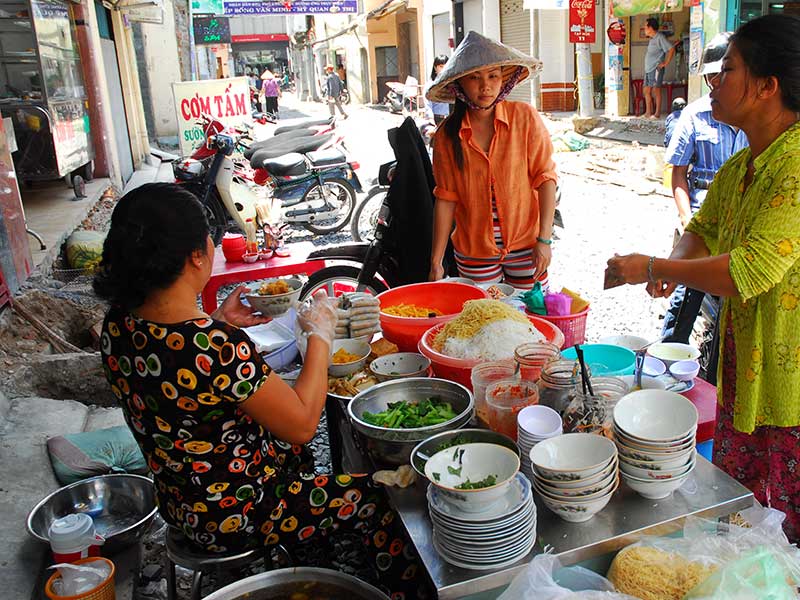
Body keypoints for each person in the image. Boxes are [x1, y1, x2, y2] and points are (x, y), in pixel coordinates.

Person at [92, 183, 429, 598]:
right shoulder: (215, 344)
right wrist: (319, 336)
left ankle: (309, 540)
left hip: (180, 502)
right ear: (195, 256)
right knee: (378, 501)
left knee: (297, 455)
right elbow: (304, 423)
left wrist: (219, 319)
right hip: (238, 514)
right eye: (211, 246)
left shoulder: (118, 326)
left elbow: (177, 373)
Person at [605, 14, 800, 543]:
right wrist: (675, 261)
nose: (712, 82)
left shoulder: (795, 163)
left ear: (767, 86)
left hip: (792, 383)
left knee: (784, 533)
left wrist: (653, 267)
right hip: (744, 365)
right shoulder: (742, 166)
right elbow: (705, 229)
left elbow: (750, 269)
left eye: (727, 71)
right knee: (745, 517)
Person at [426, 31, 557, 290]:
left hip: (528, 247)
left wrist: (544, 241)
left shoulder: (525, 118)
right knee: (484, 321)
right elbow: (445, 199)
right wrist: (436, 261)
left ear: (502, 80)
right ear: (459, 84)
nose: (485, 86)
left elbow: (546, 178)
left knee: (530, 320)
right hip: (474, 253)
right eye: (474, 78)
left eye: (493, 76)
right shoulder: (446, 137)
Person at [660, 33, 749, 346]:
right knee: (685, 294)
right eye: (712, 76)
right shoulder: (695, 114)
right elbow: (679, 174)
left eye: (724, 74)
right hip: (701, 219)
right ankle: (667, 355)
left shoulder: (761, 122)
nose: (716, 83)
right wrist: (687, 219)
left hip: (743, 228)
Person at [642, 17, 676, 119]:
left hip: (656, 69)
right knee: (646, 91)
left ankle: (657, 114)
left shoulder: (660, 37)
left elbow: (671, 49)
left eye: (645, 26)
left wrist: (665, 63)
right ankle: (648, 113)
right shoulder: (652, 39)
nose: (644, 28)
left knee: (656, 90)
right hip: (648, 69)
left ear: (650, 27)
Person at [426, 55, 451, 125]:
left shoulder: (451, 83)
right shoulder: (431, 84)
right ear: (435, 68)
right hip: (437, 119)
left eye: (446, 66)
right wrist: (431, 119)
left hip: (450, 118)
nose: (444, 69)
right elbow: (428, 104)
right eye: (441, 66)